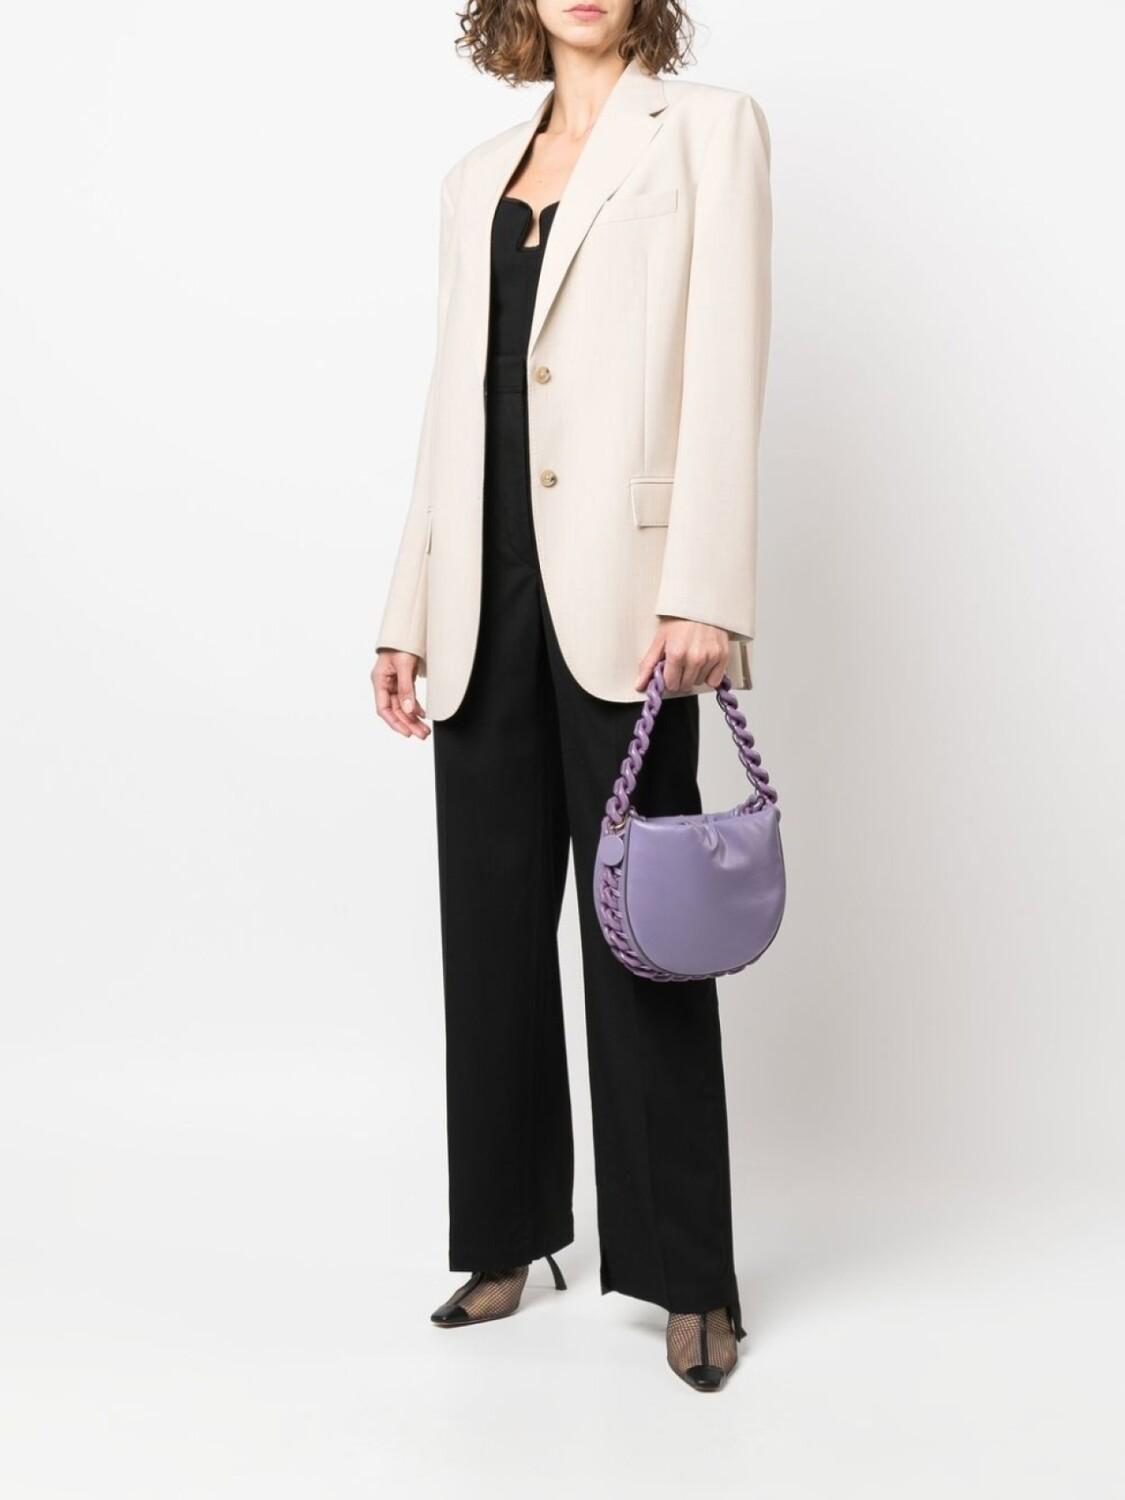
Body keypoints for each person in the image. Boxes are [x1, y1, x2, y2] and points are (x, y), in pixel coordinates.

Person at [371, 0, 771, 1392]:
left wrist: (705, 587)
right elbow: (454, 400)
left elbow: (727, 365)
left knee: (642, 933)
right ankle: (505, 1234)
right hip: (481, 595)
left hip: (632, 598)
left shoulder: (708, 132)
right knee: (487, 934)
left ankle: (688, 1274)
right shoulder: (476, 174)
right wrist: (407, 606)